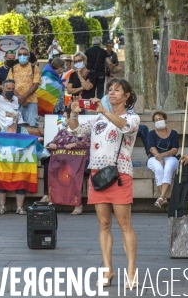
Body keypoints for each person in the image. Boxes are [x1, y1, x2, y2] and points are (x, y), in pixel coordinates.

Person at [67, 78, 140, 288]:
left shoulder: (132, 117)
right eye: (110, 89)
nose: (112, 92)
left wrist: (104, 111)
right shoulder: (98, 120)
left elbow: (125, 127)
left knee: (125, 225)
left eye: (118, 90)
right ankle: (108, 270)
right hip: (97, 175)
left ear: (126, 95)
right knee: (103, 224)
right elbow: (75, 130)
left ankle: (132, 271)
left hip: (119, 175)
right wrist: (74, 113)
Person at [43, 107, 90, 215]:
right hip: (62, 161)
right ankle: (51, 198)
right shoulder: (62, 132)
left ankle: (77, 204)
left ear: (70, 118)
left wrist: (74, 144)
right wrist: (52, 145)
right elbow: (49, 143)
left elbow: (87, 141)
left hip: (77, 162)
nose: (63, 119)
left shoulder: (81, 130)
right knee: (49, 168)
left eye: (64, 117)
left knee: (74, 173)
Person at [0, 110, 30, 215]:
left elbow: (28, 142)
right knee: (1, 179)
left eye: (9, 116)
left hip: (20, 162)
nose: (6, 118)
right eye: (6, 116)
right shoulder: (3, 131)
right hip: (5, 162)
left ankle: (20, 207)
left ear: (15, 119)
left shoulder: (23, 131)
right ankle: (2, 207)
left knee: (21, 180)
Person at [146, 111, 179, 208]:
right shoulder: (152, 133)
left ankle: (161, 197)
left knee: (168, 168)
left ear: (165, 120)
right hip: (154, 157)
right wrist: (159, 158)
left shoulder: (173, 133)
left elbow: (175, 149)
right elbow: (152, 148)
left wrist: (163, 155)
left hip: (170, 157)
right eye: (156, 120)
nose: (158, 121)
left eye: (160, 119)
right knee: (159, 169)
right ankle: (163, 198)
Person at [7, 48, 41, 127]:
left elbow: (36, 84)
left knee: (32, 126)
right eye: (20, 54)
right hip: (16, 102)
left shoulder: (34, 68)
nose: (22, 56)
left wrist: (23, 97)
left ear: (28, 56)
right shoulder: (13, 69)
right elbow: (9, 84)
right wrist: (20, 99)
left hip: (31, 102)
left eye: (24, 54)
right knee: (16, 126)